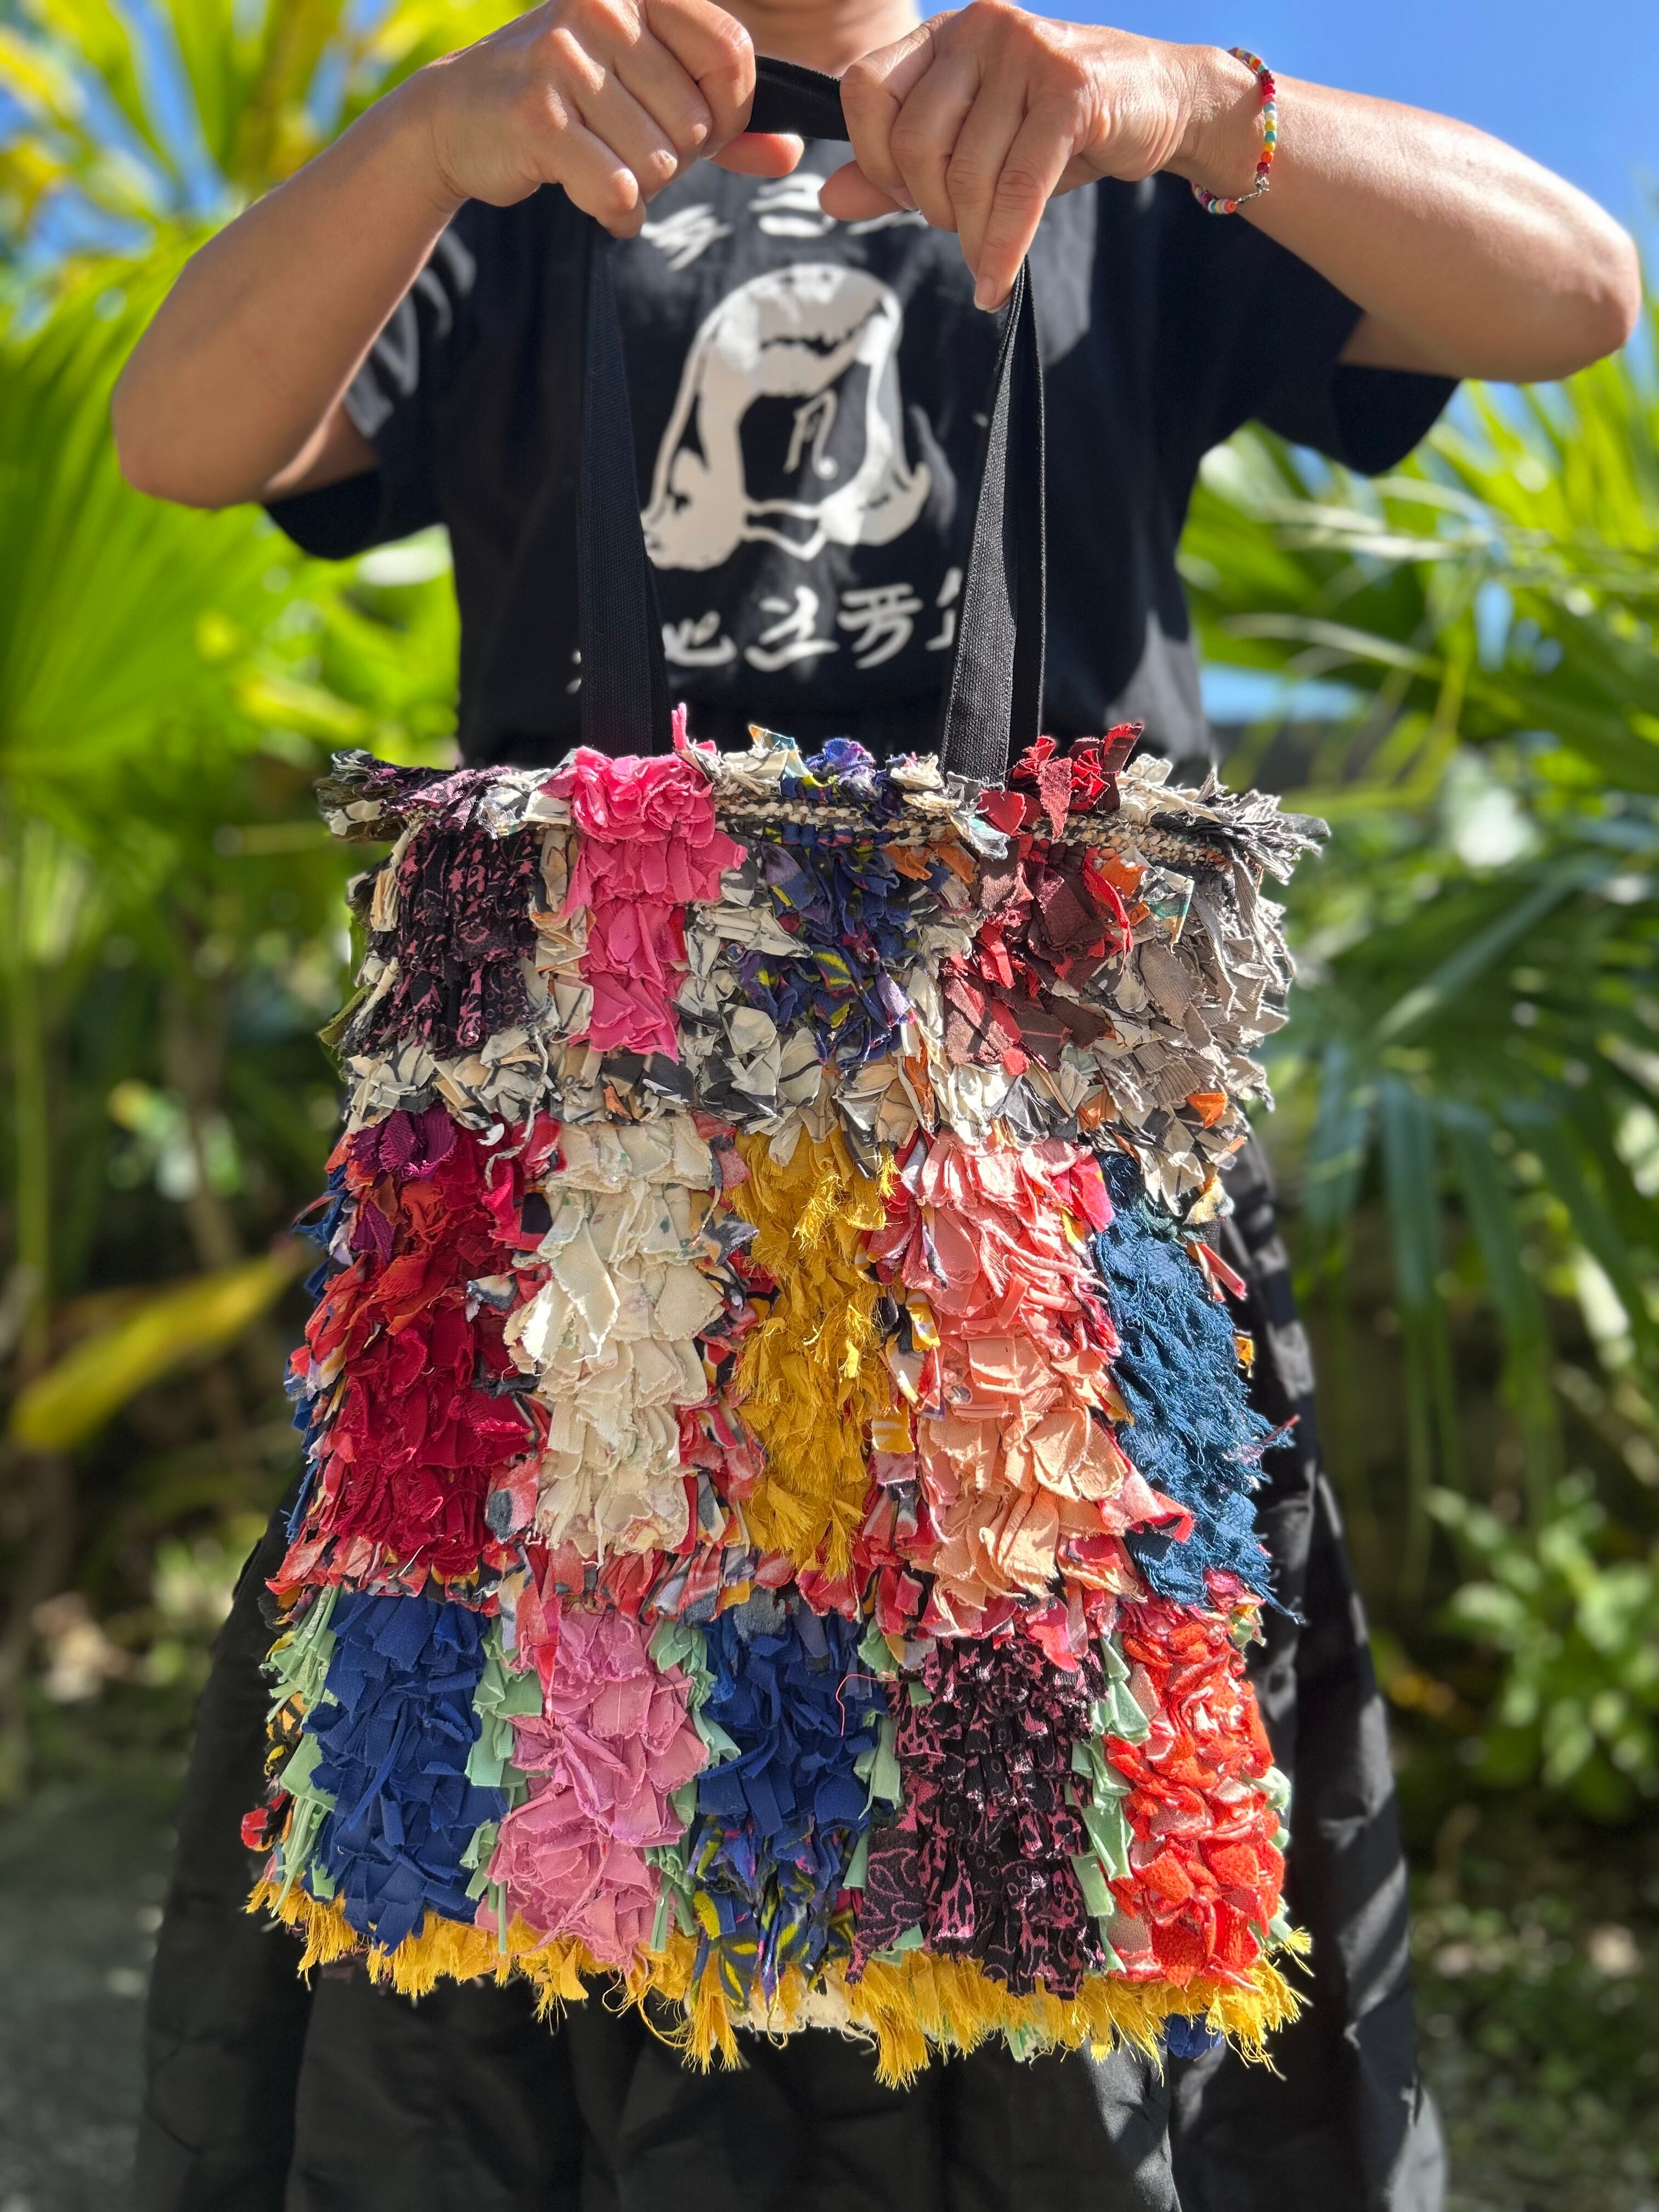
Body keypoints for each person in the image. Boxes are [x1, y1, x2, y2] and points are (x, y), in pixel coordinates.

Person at [114, 7, 1638, 2210]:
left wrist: (1205, 112)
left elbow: (1579, 290)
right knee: (544, 1877)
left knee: (1070, 1925)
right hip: (580, 1261)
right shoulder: (532, 149)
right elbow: (185, 433)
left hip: (1049, 1265)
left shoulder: (1106, 144)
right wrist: (434, 135)